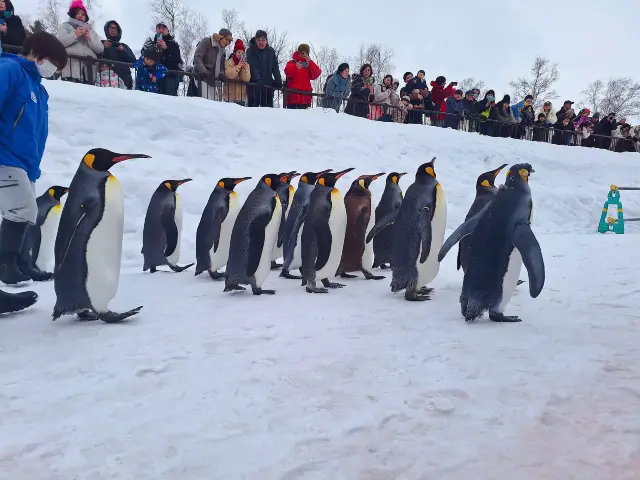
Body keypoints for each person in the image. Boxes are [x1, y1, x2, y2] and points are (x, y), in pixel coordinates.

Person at [0, 32, 68, 313]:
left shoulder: (38, 89)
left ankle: (19, 263)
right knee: (23, 210)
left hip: (24, 162)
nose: (53, 71)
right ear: (39, 56)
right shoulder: (11, 70)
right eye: (54, 64)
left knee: (22, 211)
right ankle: (6, 264)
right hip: (5, 156)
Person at [57, 0, 103, 83]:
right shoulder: (65, 26)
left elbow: (100, 49)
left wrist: (89, 40)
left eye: (83, 14)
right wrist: (75, 35)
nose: (80, 16)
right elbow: (59, 43)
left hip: (90, 72)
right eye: (77, 13)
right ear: (72, 14)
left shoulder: (92, 31)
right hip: (70, 70)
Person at [142, 22, 183, 96]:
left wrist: (166, 48)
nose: (161, 30)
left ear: (168, 30)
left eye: (164, 28)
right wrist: (147, 49)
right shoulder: (151, 42)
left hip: (169, 75)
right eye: (159, 28)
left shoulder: (173, 44)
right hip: (153, 75)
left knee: (169, 98)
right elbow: (144, 59)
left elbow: (177, 60)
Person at [194, 28, 233, 100]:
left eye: (229, 41)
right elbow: (197, 57)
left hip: (212, 80)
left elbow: (222, 66)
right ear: (220, 37)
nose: (228, 43)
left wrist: (221, 74)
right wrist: (204, 71)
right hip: (202, 77)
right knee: (205, 102)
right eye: (226, 40)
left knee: (213, 104)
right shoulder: (207, 42)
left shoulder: (223, 51)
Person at [245, 30, 282, 108]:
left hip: (267, 86)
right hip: (254, 86)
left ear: (266, 41)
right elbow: (252, 66)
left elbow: (275, 67)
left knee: (268, 112)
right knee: (253, 111)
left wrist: (278, 81)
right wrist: (257, 80)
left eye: (263, 40)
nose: (261, 42)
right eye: (258, 40)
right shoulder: (251, 51)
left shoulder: (271, 52)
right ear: (255, 40)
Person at [283, 43, 321, 109]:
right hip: (293, 99)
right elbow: (287, 72)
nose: (304, 55)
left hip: (305, 99)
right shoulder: (292, 63)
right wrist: (295, 67)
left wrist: (310, 62)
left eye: (306, 53)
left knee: (304, 119)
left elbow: (317, 73)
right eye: (302, 53)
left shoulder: (309, 65)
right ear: (298, 52)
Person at [100, 20, 136, 89]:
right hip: (106, 81)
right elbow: (96, 58)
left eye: (115, 28)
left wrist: (123, 51)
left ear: (119, 31)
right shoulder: (101, 44)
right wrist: (104, 48)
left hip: (125, 80)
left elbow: (133, 62)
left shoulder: (124, 46)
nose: (113, 30)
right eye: (110, 27)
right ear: (107, 29)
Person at [224, 39, 250, 106]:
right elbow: (229, 75)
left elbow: (246, 79)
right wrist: (238, 66)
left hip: (241, 97)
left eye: (242, 53)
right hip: (230, 96)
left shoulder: (246, 64)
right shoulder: (229, 62)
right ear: (234, 52)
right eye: (238, 52)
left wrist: (245, 69)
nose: (240, 55)